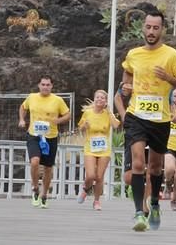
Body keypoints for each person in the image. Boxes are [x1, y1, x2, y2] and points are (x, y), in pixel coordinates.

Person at [121, 9, 176, 231]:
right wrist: (126, 87)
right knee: (138, 163)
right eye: (148, 27)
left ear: (162, 30)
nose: (151, 32)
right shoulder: (134, 54)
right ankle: (139, 213)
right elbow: (127, 74)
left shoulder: (171, 55)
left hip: (159, 118)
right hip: (136, 115)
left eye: (156, 28)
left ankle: (154, 203)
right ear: (143, 28)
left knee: (155, 166)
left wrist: (168, 78)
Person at [18, 75, 71, 209]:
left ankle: (44, 195)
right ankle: (35, 187)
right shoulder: (32, 97)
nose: (45, 87)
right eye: (43, 84)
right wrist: (22, 120)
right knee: (35, 161)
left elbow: (68, 115)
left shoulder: (57, 100)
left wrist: (58, 121)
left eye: (48, 85)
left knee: (48, 168)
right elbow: (23, 108)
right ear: (39, 85)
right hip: (34, 135)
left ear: (51, 86)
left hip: (50, 137)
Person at [76, 89, 120, 210]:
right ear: (94, 99)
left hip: (104, 149)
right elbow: (80, 128)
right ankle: (86, 189)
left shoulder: (107, 113)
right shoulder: (88, 113)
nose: (99, 99)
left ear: (105, 101)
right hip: (90, 147)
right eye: (97, 97)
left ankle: (96, 201)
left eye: (102, 98)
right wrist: (84, 126)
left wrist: (109, 111)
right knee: (90, 175)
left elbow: (116, 125)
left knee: (99, 177)